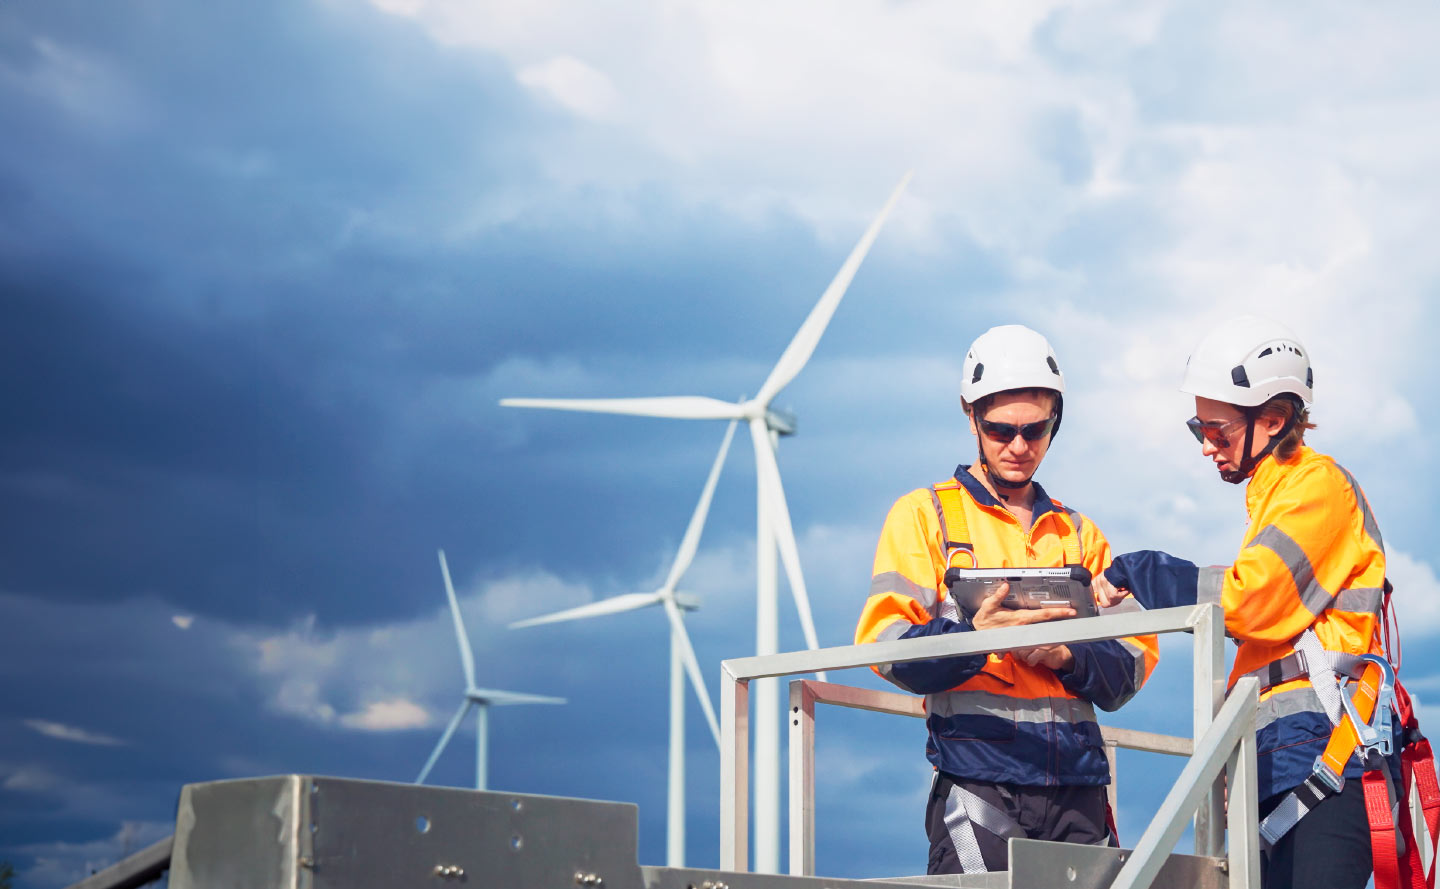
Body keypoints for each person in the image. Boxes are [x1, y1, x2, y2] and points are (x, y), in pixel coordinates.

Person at [1094, 315, 1433, 889]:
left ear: (1273, 420)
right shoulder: (1276, 499)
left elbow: (1249, 602)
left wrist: (1144, 571)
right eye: (1197, 427)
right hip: (1284, 760)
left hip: (1328, 757)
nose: (1206, 446)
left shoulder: (1318, 488)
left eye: (1217, 430)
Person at [855, 324, 1159, 875]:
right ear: (972, 418)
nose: (1019, 446)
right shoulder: (925, 516)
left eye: (1035, 430)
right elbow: (884, 645)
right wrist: (975, 640)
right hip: (979, 778)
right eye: (1000, 430)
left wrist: (1067, 655)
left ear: (1054, 424)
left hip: (1078, 789)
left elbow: (1135, 661)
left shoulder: (1079, 533)